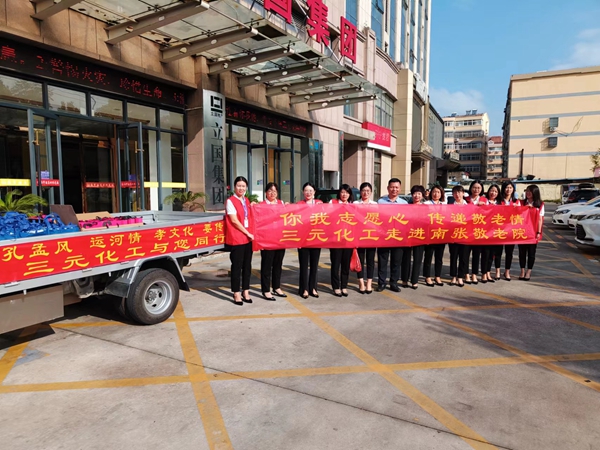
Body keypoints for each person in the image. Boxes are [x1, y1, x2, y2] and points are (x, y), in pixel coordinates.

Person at [225, 176, 254, 306]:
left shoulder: (246, 200)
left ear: (246, 187)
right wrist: (247, 232)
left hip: (248, 238)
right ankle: (236, 292)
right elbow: (234, 221)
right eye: (239, 186)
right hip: (237, 238)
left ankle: (246, 291)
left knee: (247, 266)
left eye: (243, 186)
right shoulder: (230, 201)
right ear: (234, 187)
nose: (241, 188)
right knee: (236, 267)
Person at [377, 178, 408, 292]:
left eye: (396, 187)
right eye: (392, 187)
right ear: (388, 188)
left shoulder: (404, 204)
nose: (394, 189)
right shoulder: (380, 202)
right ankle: (381, 283)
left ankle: (393, 283)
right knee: (382, 261)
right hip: (384, 236)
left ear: (400, 188)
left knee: (396, 261)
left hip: (398, 236)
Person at [260, 182, 287, 300]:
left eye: (274, 191)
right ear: (266, 192)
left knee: (278, 265)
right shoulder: (261, 205)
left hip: (280, 240)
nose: (272, 193)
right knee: (266, 266)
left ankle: (276, 287)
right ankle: (266, 290)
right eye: (270, 191)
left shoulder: (281, 203)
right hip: (267, 240)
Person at [297, 182, 323, 299]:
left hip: (316, 237)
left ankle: (313, 288)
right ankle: (304, 289)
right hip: (303, 239)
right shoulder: (299, 204)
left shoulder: (319, 203)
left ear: (314, 192)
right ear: (303, 192)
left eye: (310, 191)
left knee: (314, 265)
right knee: (303, 266)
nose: (308, 193)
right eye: (306, 190)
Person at [329, 184, 354, 296]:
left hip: (348, 239)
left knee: (345, 264)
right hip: (335, 239)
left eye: (347, 192)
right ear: (339, 193)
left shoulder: (352, 205)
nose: (344, 194)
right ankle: (335, 286)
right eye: (342, 192)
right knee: (335, 264)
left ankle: (344, 286)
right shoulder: (333, 202)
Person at [401, 185, 426, 289]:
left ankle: (414, 280)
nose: (417, 195)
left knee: (418, 258)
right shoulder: (407, 207)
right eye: (415, 193)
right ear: (412, 195)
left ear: (422, 195)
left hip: (420, 235)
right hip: (408, 235)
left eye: (419, 193)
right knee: (406, 258)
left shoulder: (425, 208)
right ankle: (404, 279)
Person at [354, 182, 377, 294]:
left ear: (371, 192)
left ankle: (369, 283)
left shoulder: (375, 204)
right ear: (360, 192)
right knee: (360, 260)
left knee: (370, 260)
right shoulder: (355, 203)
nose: (366, 193)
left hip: (371, 235)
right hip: (359, 236)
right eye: (364, 190)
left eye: (368, 191)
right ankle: (361, 282)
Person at [519, 184, 544, 281]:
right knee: (522, 253)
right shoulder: (521, 203)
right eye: (527, 191)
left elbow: (540, 220)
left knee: (531, 253)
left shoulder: (540, 205)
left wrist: (538, 232)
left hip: (533, 232)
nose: (528, 193)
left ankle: (528, 271)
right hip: (522, 232)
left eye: (530, 191)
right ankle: (522, 271)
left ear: (535, 193)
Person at [465, 180, 487, 284]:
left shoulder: (484, 200)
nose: (476, 189)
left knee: (476, 255)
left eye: (478, 188)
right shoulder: (465, 199)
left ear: (481, 189)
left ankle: (474, 274)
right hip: (466, 231)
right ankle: (466, 274)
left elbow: (489, 214)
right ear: (471, 188)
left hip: (478, 232)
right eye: (474, 187)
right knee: (465, 254)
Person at [423, 185, 446, 287]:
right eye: (434, 192)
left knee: (439, 257)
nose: (436, 194)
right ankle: (427, 276)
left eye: (438, 192)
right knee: (428, 256)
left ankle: (437, 276)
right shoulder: (426, 204)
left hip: (441, 234)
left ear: (441, 194)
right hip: (429, 234)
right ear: (431, 193)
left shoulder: (444, 205)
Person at [448, 185, 469, 287]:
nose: (457, 194)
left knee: (463, 257)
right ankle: (453, 276)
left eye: (459, 192)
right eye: (455, 192)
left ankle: (460, 277)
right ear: (453, 194)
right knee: (453, 256)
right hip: (453, 235)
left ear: (463, 193)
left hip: (465, 235)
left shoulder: (469, 206)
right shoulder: (449, 206)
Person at [500, 181, 520, 281]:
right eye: (507, 187)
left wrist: (518, 209)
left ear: (513, 189)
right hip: (499, 230)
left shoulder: (517, 202)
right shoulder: (499, 201)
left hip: (511, 231)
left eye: (510, 188)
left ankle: (507, 271)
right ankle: (497, 271)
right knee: (498, 252)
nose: (508, 190)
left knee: (509, 252)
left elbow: (521, 216)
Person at [481, 184, 501, 283]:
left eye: (496, 191)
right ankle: (484, 274)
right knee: (485, 253)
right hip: (485, 232)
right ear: (488, 191)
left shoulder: (500, 203)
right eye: (492, 191)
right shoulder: (484, 200)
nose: (493, 193)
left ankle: (488, 272)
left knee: (492, 254)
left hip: (496, 233)